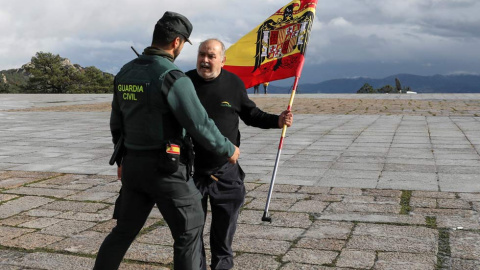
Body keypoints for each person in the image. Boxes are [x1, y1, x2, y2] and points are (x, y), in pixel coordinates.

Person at [94, 13, 240, 270]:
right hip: (167, 170)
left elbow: (117, 124)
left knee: (123, 231)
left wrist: (121, 159)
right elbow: (200, 124)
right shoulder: (172, 77)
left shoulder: (125, 73)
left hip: (133, 168)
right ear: (177, 42)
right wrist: (228, 148)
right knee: (189, 231)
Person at [185, 38, 293, 270]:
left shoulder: (233, 84)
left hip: (226, 172)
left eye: (211, 56)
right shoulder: (184, 83)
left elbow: (251, 114)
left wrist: (277, 120)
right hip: (191, 172)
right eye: (201, 54)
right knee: (191, 234)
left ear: (222, 60)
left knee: (223, 237)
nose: (205, 60)